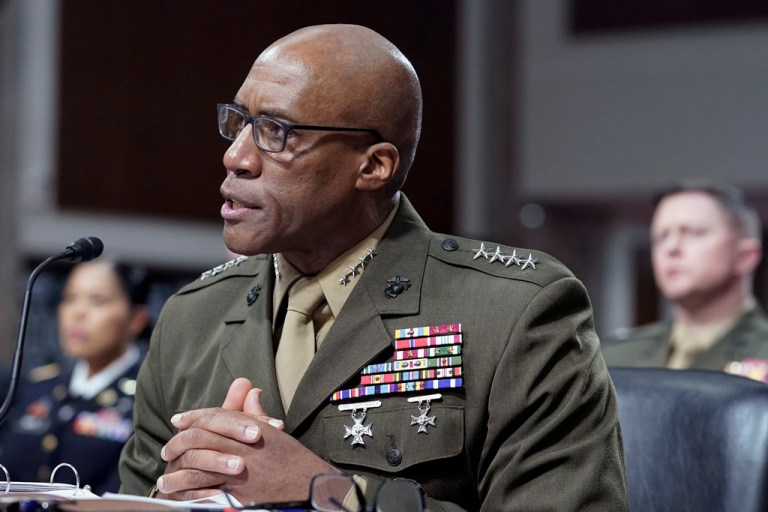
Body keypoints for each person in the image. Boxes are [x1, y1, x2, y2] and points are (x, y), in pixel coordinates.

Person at [119, 24, 627, 511]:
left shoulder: (514, 312)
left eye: (276, 132)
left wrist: (333, 495)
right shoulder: (192, 319)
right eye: (239, 123)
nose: (237, 156)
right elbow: (132, 500)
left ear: (373, 165)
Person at [0, 259, 150, 494]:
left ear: (136, 319)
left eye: (98, 300)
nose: (78, 312)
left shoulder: (147, 397)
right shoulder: (36, 388)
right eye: (70, 298)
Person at [602, 179, 768, 382]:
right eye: (661, 237)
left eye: (693, 233)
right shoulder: (615, 357)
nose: (671, 248)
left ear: (745, 256)